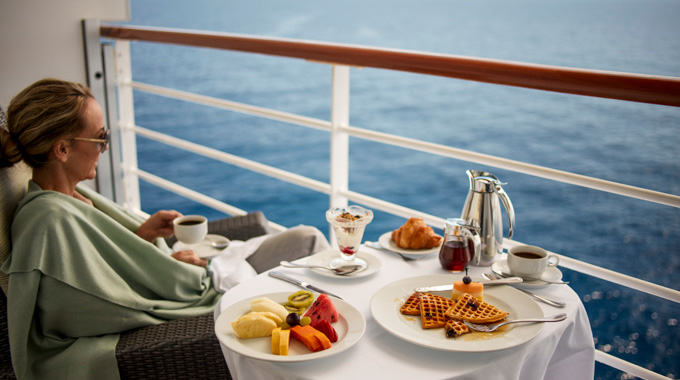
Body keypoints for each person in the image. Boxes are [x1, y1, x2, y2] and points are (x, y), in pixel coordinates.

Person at [0, 78, 330, 379]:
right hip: (192, 287)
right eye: (101, 138)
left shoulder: (70, 196)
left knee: (308, 241)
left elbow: (97, 265)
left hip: (191, 272)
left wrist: (142, 237)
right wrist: (170, 271)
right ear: (62, 149)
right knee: (311, 243)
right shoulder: (47, 220)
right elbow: (84, 307)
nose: (106, 147)